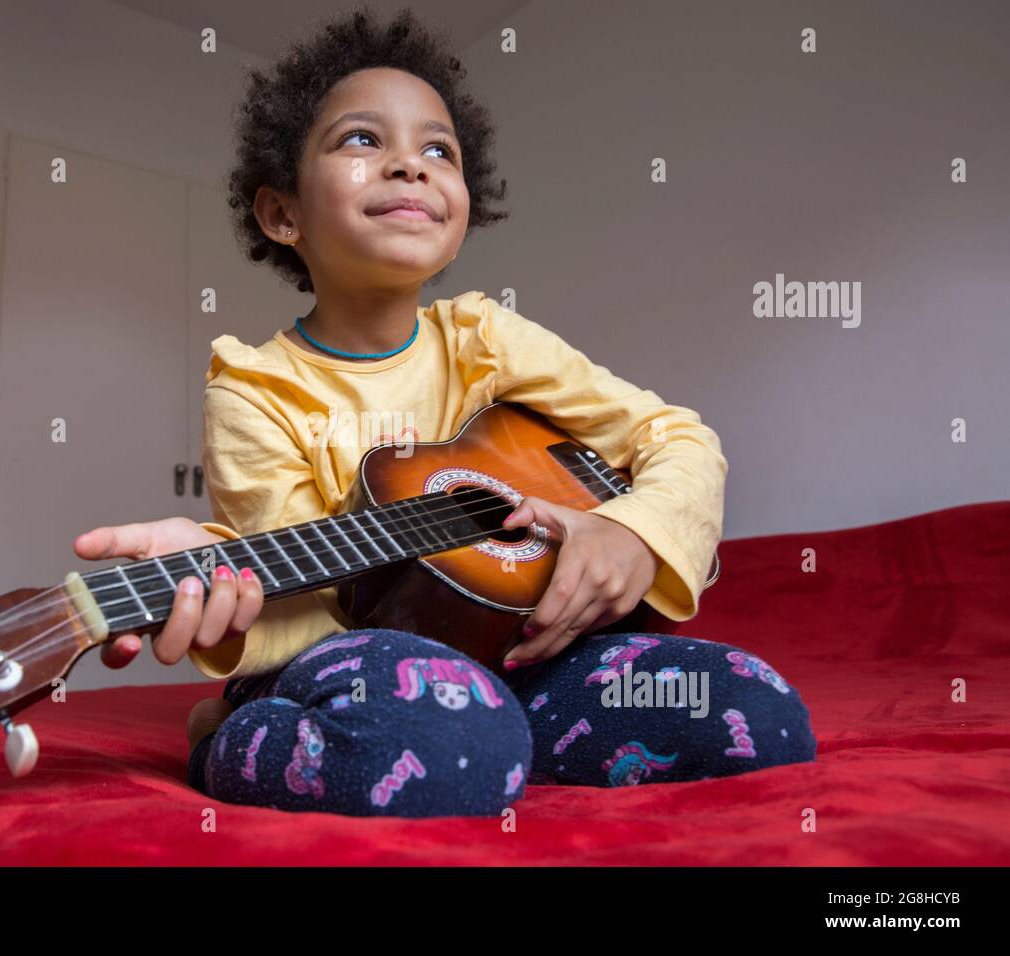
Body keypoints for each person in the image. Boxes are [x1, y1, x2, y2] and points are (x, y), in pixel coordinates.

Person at [74, 6, 814, 817]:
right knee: (439, 738)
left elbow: (673, 435)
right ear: (283, 213)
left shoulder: (484, 339)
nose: (408, 166)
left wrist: (634, 530)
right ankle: (231, 737)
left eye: (438, 150)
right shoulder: (255, 389)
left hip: (520, 654)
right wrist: (224, 599)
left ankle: (499, 730)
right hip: (350, 662)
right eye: (362, 140)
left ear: (461, 214)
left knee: (754, 712)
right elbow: (303, 619)